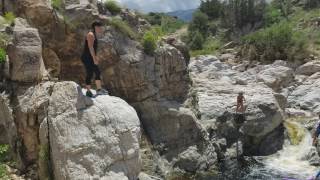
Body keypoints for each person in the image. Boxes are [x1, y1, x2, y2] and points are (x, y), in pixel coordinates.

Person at [81, 20, 108, 97]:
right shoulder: (90, 34)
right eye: (100, 27)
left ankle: (99, 90)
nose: (101, 29)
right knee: (89, 73)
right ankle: (88, 91)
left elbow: (94, 48)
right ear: (96, 27)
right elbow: (90, 47)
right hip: (87, 57)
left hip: (90, 57)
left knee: (97, 72)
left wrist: (96, 57)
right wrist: (94, 58)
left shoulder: (94, 35)